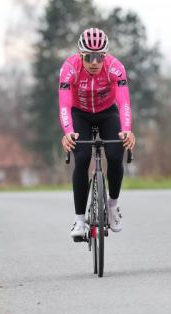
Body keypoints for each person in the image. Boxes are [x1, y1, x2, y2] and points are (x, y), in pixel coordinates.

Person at [59, 27, 136, 238]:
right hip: (79, 114)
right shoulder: (69, 69)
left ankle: (112, 205)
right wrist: (68, 132)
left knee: (114, 154)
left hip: (107, 113)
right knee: (82, 158)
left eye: (99, 57)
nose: (94, 62)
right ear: (80, 54)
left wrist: (127, 130)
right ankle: (79, 221)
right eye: (89, 57)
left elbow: (124, 103)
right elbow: (64, 106)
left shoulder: (115, 67)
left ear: (105, 55)